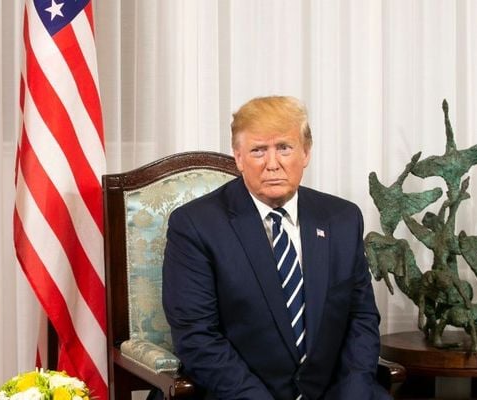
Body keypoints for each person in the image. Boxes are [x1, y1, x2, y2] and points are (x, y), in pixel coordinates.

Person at [162, 96, 390, 399]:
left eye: (284, 147)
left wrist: (353, 393)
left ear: (306, 152)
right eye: (258, 150)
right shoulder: (195, 225)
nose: (273, 164)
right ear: (239, 157)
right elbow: (197, 338)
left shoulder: (342, 219)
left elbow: (361, 319)